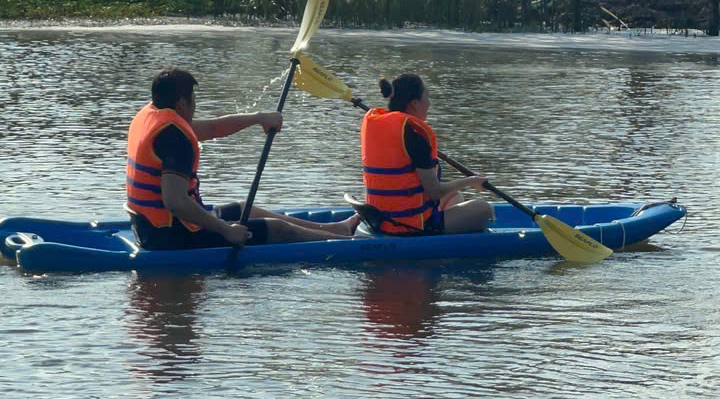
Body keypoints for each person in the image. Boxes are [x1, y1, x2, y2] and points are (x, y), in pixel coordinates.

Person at [126, 68, 359, 250]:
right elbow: (175, 202)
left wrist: (259, 118)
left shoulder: (155, 116)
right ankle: (352, 247)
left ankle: (336, 229)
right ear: (182, 103)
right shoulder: (175, 138)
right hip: (170, 237)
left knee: (244, 208)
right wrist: (225, 230)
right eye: (193, 99)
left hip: (149, 228)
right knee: (277, 229)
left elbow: (213, 128)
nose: (196, 105)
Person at [360, 73, 493, 235]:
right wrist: (471, 181)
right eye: (427, 96)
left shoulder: (379, 125)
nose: (429, 103)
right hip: (408, 225)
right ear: (415, 103)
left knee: (454, 197)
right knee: (484, 208)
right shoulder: (415, 136)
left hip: (381, 218)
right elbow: (434, 191)